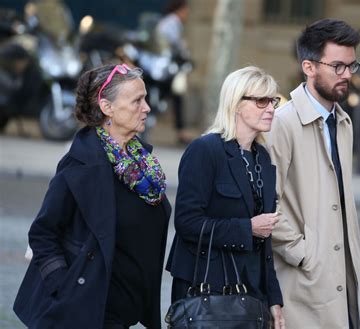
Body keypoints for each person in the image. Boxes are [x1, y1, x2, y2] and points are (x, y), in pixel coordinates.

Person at [13, 64, 171, 329]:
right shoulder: (79, 164)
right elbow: (43, 233)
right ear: (107, 108)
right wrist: (65, 289)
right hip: (85, 312)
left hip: (124, 311)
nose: (147, 108)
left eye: (145, 99)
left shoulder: (143, 165)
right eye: (137, 101)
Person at [166, 66, 285, 328]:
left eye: (273, 101)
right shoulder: (205, 150)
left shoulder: (262, 158)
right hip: (206, 289)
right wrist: (248, 228)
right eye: (261, 101)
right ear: (236, 103)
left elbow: (264, 244)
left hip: (251, 291)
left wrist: (274, 300)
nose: (271, 108)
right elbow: (186, 222)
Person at [266, 19, 360, 329]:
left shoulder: (343, 123)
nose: (346, 75)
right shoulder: (282, 122)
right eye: (337, 66)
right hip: (302, 283)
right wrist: (303, 253)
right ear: (308, 67)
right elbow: (265, 202)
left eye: (351, 66)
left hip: (341, 276)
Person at [157, 0, 194, 144]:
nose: (187, 15)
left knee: (175, 97)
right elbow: (174, 43)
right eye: (185, 11)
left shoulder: (169, 22)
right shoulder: (172, 22)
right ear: (180, 10)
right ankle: (181, 131)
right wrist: (183, 49)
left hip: (166, 67)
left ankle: (180, 131)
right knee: (175, 95)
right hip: (167, 68)